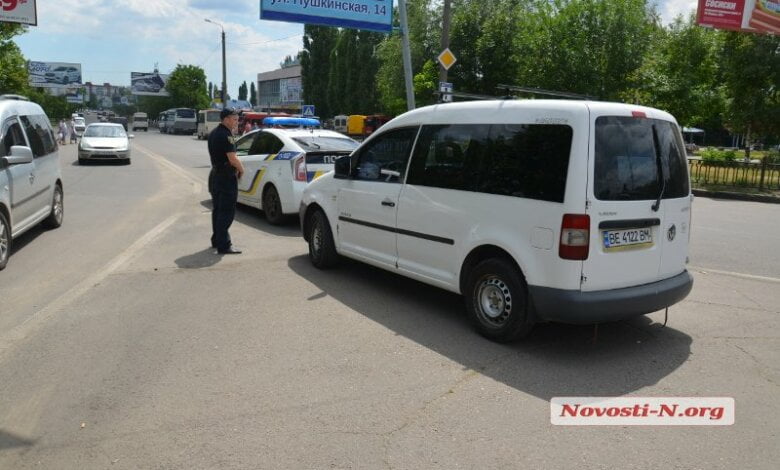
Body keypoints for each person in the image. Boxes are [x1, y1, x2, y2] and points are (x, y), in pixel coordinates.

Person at [207, 108, 244, 254]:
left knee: (217, 210)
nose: (237, 122)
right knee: (226, 212)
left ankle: (216, 240)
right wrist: (241, 169)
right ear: (226, 119)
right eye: (235, 119)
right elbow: (232, 158)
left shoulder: (214, 133)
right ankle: (224, 245)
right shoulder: (227, 135)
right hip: (227, 177)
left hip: (216, 175)